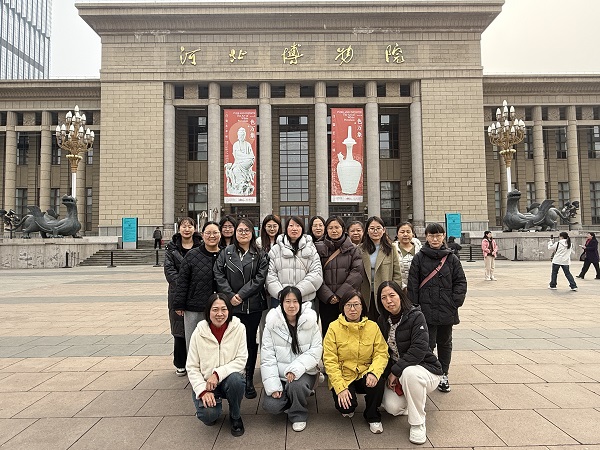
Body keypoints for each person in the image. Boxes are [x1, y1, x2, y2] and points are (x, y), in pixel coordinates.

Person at [377, 281, 443, 445]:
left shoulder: (416, 316)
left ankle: (418, 423)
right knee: (392, 408)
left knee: (410, 373)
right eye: (384, 298)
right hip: (399, 373)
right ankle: (413, 398)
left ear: (400, 296)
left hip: (425, 369)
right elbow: (382, 352)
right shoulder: (382, 321)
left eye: (392, 295)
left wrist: (395, 371)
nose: (389, 301)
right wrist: (388, 373)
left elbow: (419, 349)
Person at [407, 222, 467, 394]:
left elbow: (460, 281)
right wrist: (415, 306)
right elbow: (413, 284)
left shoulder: (451, 259)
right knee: (427, 344)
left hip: (446, 308)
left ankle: (444, 374)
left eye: (438, 235)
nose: (435, 239)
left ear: (443, 237)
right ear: (426, 237)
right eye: (431, 235)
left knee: (445, 343)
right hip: (425, 310)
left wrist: (455, 301)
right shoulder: (419, 258)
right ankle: (430, 373)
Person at [214, 218, 268, 400]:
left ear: (252, 233)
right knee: (231, 341)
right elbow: (218, 274)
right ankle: (233, 376)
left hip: (252, 305)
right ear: (235, 232)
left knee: (250, 341)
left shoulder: (260, 254)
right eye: (240, 230)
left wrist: (241, 295)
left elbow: (260, 278)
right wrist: (230, 295)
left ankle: (249, 378)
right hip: (231, 306)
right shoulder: (226, 253)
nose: (243, 233)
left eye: (247, 230)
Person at [323, 291, 389, 434]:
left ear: (362, 306)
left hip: (365, 373)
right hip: (344, 375)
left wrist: (374, 372)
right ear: (342, 307)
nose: (352, 309)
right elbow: (329, 360)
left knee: (378, 382)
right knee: (346, 408)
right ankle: (348, 403)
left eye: (356, 305)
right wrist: (340, 387)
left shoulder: (373, 326)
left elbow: (381, 353)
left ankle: (372, 415)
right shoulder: (333, 327)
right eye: (348, 305)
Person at [261, 286, 323, 432]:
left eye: (295, 301)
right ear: (281, 303)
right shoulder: (271, 324)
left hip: (305, 372)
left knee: (295, 385)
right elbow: (267, 358)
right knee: (271, 406)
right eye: (287, 301)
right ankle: (294, 397)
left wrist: (295, 369)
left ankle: (298, 414)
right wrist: (274, 386)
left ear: (300, 303)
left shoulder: (310, 322)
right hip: (280, 375)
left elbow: (315, 351)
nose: (291, 305)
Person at [187, 293, 247, 437]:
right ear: (208, 311)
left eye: (224, 309)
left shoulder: (239, 328)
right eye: (215, 309)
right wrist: (202, 390)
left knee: (236, 380)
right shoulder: (199, 332)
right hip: (206, 383)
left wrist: (217, 374)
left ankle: (235, 415)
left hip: (228, 380)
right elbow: (192, 367)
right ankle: (212, 407)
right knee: (208, 416)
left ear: (229, 311)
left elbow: (241, 360)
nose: (219, 314)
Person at [173, 221, 221, 350]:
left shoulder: (225, 254)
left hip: (219, 308)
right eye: (208, 233)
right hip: (194, 306)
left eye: (215, 233)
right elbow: (183, 281)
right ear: (202, 235)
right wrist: (179, 304)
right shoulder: (192, 255)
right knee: (194, 343)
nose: (212, 236)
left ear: (220, 235)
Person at [163, 217, 202, 376]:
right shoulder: (171, 248)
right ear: (178, 229)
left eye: (190, 226)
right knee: (179, 329)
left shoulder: (201, 246)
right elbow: (169, 271)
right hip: (177, 293)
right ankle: (180, 362)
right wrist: (185, 284)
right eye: (183, 226)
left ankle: (198, 362)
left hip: (198, 292)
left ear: (195, 228)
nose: (187, 229)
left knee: (199, 328)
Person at [315, 216, 364, 336]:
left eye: (337, 227)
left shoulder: (353, 249)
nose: (334, 230)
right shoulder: (317, 248)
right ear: (326, 230)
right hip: (326, 300)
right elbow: (315, 273)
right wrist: (328, 295)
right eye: (330, 228)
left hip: (346, 299)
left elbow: (357, 273)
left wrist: (340, 295)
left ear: (343, 229)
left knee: (348, 331)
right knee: (328, 331)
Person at [266, 216, 323, 309]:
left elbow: (316, 274)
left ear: (302, 229)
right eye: (291, 225)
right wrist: (282, 294)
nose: (294, 229)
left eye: (298, 226)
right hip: (280, 300)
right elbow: (270, 276)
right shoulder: (276, 250)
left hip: (305, 300)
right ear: (286, 228)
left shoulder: (311, 249)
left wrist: (298, 292)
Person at [359, 216, 402, 320]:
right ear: (367, 231)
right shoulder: (360, 249)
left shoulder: (391, 249)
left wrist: (394, 292)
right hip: (365, 293)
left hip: (385, 293)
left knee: (384, 322)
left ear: (384, 230)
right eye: (372, 228)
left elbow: (397, 273)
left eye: (378, 228)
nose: (375, 231)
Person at [225, 127, 255, 196]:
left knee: (250, 161)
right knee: (235, 170)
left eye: (243, 135)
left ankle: (244, 186)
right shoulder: (236, 144)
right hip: (238, 162)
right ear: (238, 136)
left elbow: (252, 156)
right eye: (240, 135)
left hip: (247, 162)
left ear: (245, 136)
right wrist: (247, 156)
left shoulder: (248, 144)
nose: (241, 137)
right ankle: (239, 186)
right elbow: (237, 155)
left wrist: (247, 157)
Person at [392, 222, 422, 289]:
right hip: (400, 289)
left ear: (413, 234)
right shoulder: (392, 250)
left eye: (408, 232)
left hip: (419, 289)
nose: (405, 234)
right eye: (402, 232)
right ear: (397, 234)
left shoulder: (421, 250)